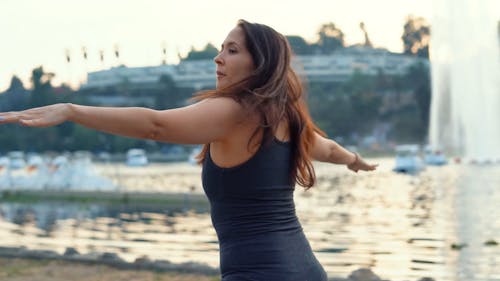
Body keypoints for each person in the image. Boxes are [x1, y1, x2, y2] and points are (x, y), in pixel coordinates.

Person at [0, 19, 377, 281]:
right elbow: (327, 149)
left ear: (259, 64)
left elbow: (156, 125)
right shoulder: (287, 117)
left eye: (232, 50)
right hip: (306, 271)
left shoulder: (235, 111)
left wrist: (71, 110)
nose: (218, 58)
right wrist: (354, 160)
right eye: (221, 49)